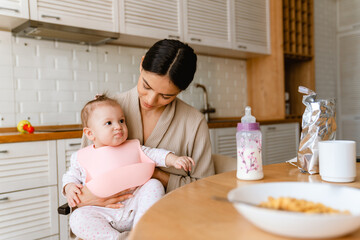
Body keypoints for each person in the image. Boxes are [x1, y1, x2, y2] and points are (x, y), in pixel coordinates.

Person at [77, 38, 215, 208]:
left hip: (167, 216)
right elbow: (82, 176)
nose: (151, 100)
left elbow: (205, 188)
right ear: (142, 64)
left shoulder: (194, 122)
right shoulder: (105, 110)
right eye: (146, 86)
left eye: (166, 96)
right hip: (105, 215)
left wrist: (153, 173)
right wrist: (86, 198)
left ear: (181, 91)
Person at [62, 94, 195, 239]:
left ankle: (141, 232)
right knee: (77, 218)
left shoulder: (133, 146)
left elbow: (155, 155)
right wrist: (69, 187)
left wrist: (173, 159)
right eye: (109, 123)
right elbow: (70, 176)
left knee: (154, 184)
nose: (118, 126)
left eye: (121, 121)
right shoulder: (80, 157)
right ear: (90, 133)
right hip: (103, 212)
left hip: (134, 206)